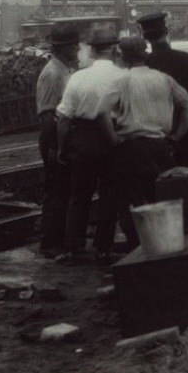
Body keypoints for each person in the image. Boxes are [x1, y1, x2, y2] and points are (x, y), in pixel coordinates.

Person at [56, 21, 125, 262]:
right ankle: (103, 246)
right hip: (112, 138)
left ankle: (73, 246)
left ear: (93, 50)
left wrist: (63, 147)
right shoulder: (123, 77)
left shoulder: (78, 78)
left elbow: (64, 118)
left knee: (79, 195)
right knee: (110, 194)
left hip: (82, 139)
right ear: (115, 49)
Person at [111, 36, 188, 231]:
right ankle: (169, 241)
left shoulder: (120, 81)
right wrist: (177, 135)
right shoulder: (163, 78)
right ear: (145, 54)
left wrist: (114, 138)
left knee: (136, 202)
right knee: (165, 198)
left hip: (131, 147)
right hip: (161, 146)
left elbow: (102, 113)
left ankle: (142, 247)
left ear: (123, 57)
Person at [35, 22, 81, 257]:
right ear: (64, 48)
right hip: (53, 139)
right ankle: (49, 243)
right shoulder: (52, 74)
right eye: (74, 46)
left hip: (63, 140)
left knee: (64, 190)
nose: (78, 49)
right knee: (56, 192)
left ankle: (60, 238)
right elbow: (46, 115)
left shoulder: (64, 70)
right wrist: (53, 147)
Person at [138, 11, 188, 167]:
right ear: (166, 32)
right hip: (185, 130)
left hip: (154, 132)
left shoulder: (144, 63)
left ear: (144, 37)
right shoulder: (186, 59)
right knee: (185, 178)